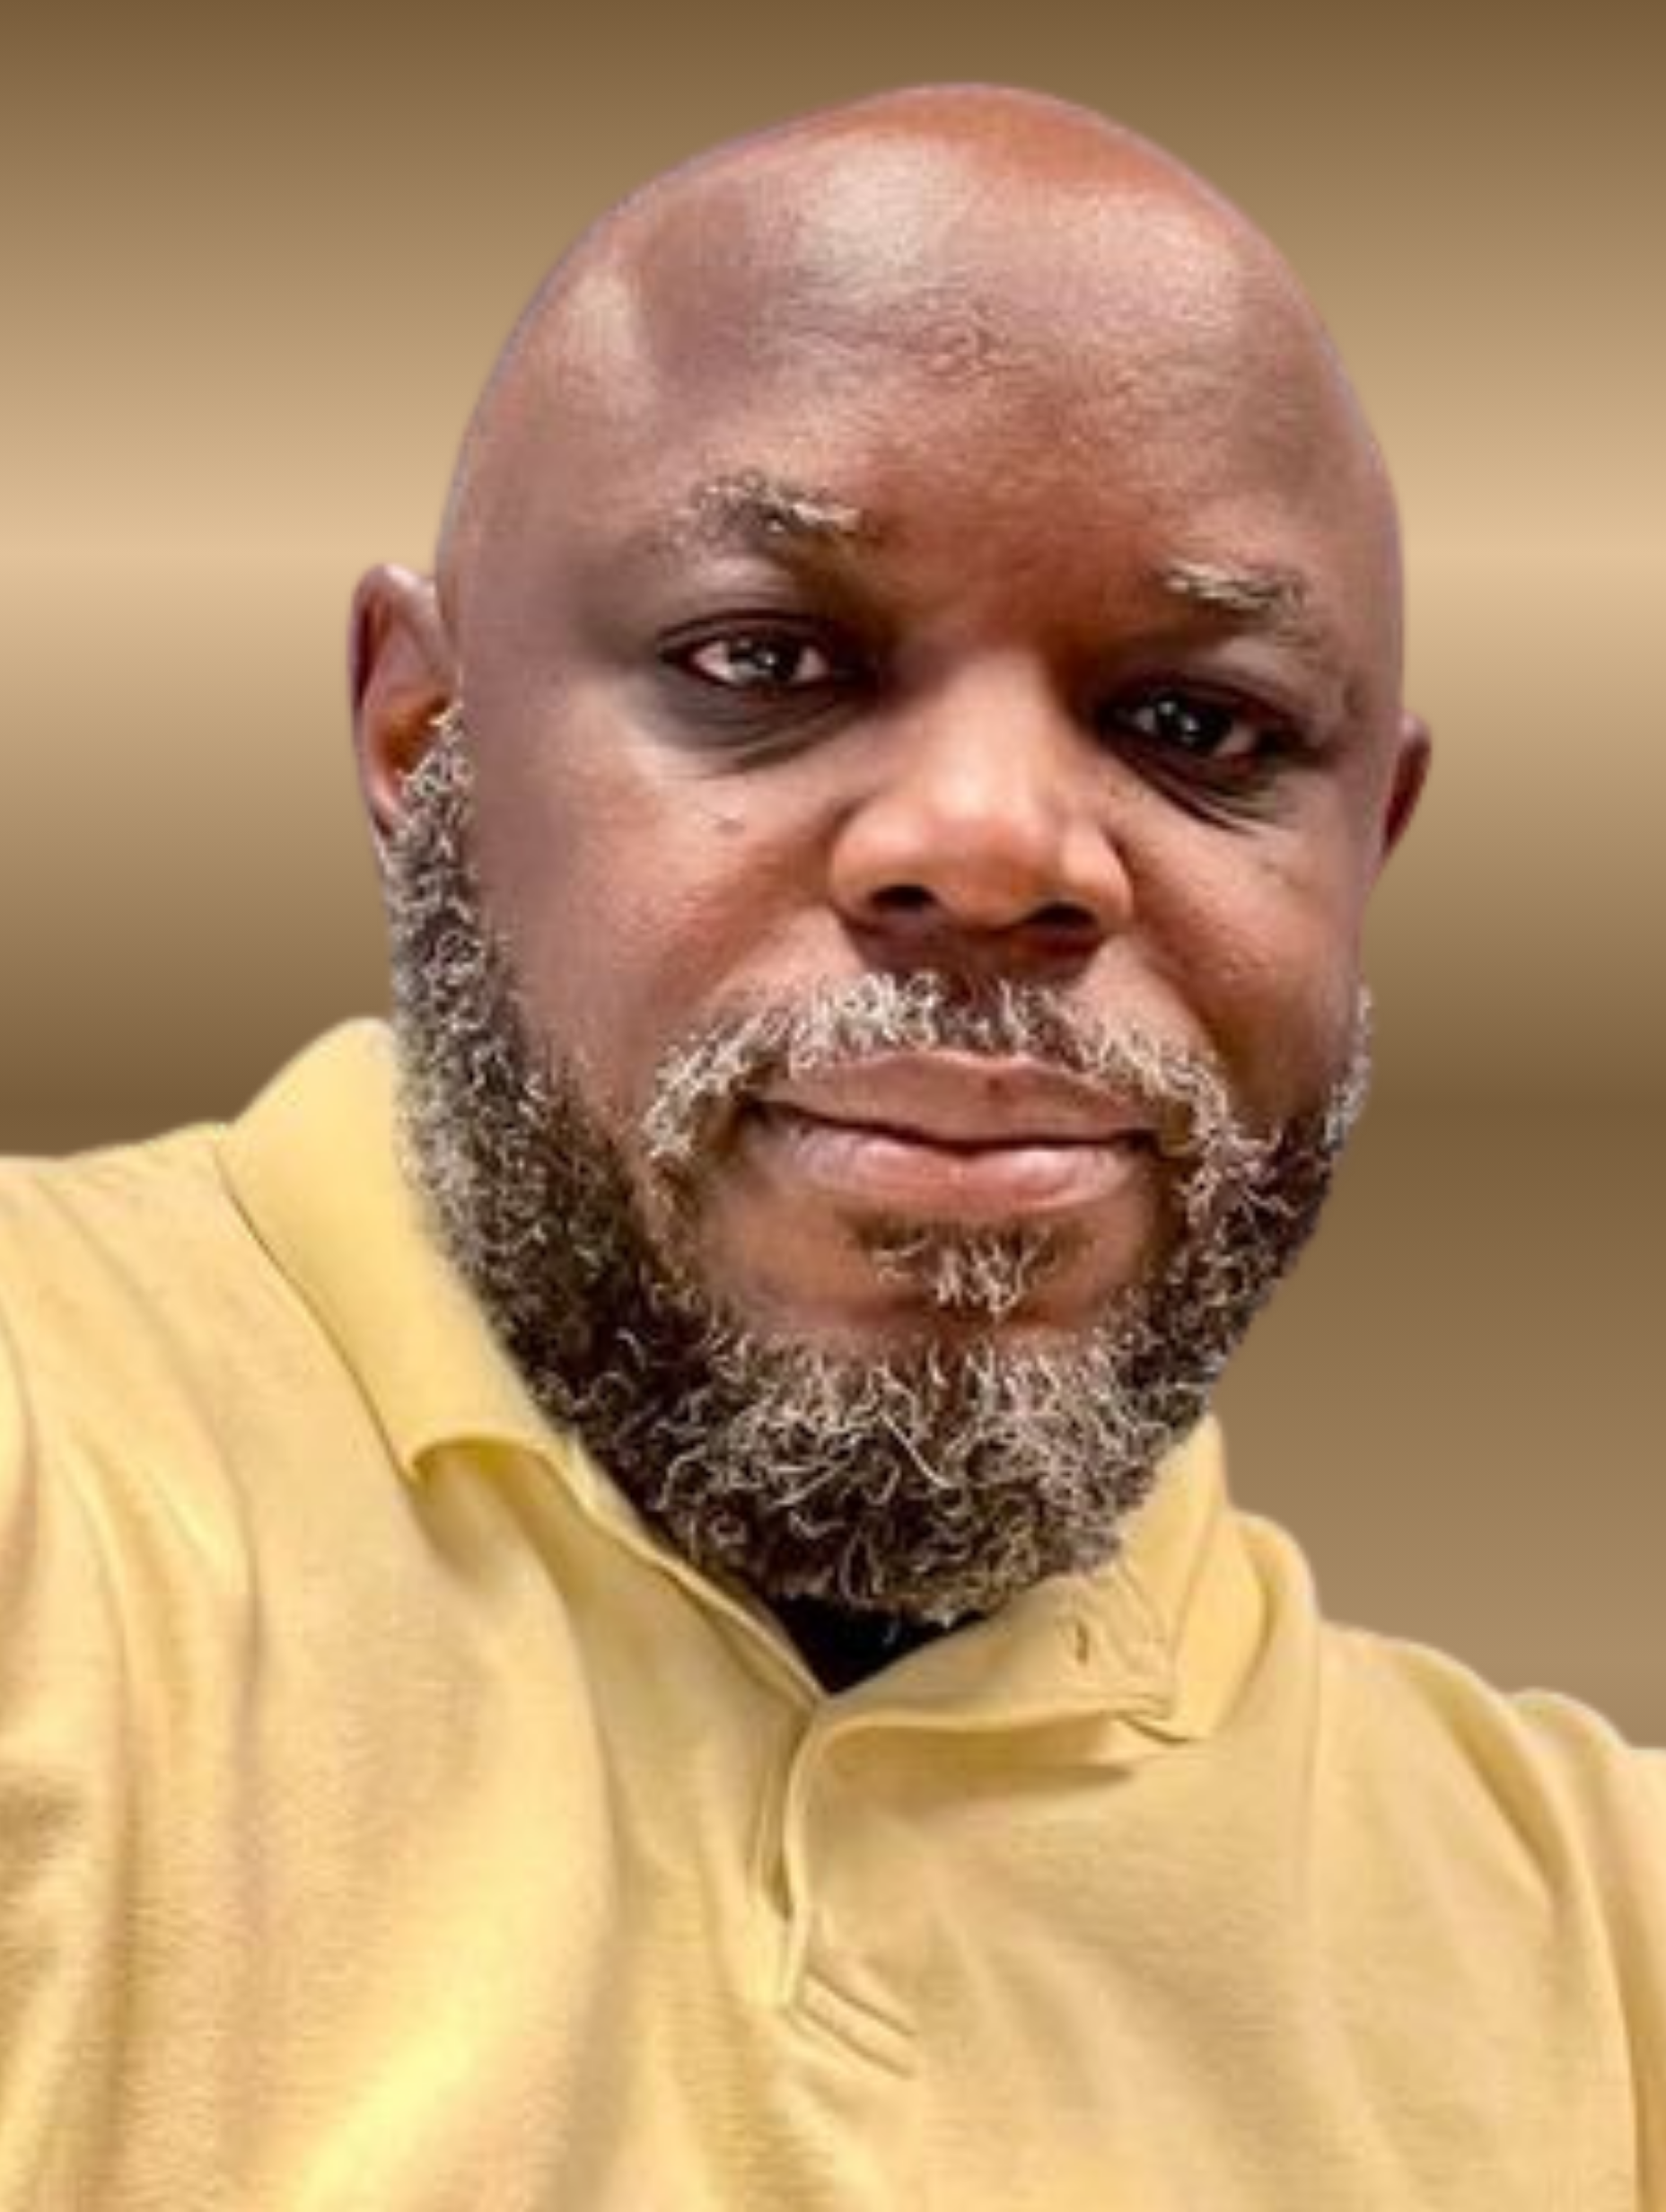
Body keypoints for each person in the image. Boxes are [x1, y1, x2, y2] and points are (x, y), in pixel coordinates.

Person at [1, 81, 1660, 2211]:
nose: (994, 852)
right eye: (762, 660)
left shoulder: (1595, 1952)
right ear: (428, 747)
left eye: (1201, 727)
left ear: (1368, 849)